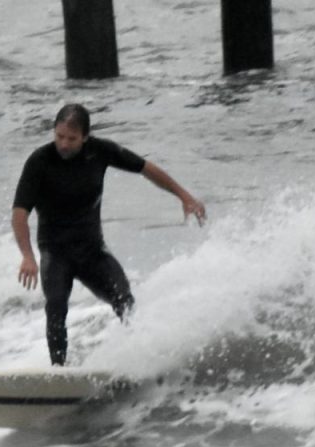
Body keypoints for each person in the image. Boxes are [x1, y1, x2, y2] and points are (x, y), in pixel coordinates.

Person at [12, 103, 206, 366]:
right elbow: (19, 213)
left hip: (92, 251)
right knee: (56, 306)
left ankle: (140, 360)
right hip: (56, 252)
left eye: (71, 138)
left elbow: (146, 169)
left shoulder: (100, 151)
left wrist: (184, 196)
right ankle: (58, 372)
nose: (64, 144)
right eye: (59, 136)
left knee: (124, 299)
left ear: (85, 137)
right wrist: (27, 256)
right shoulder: (39, 161)